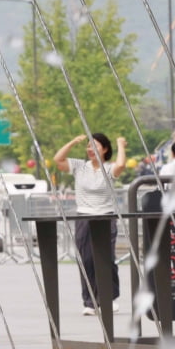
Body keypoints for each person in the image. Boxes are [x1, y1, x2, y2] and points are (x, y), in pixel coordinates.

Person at [53, 132, 127, 316]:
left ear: (105, 149)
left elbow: (121, 165)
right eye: (88, 146)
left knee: (105, 259)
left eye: (95, 146)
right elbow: (58, 159)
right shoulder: (79, 166)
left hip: (105, 216)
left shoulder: (109, 169)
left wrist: (121, 145)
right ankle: (89, 301)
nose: (90, 150)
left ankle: (110, 298)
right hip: (84, 216)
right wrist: (72, 141)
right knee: (86, 259)